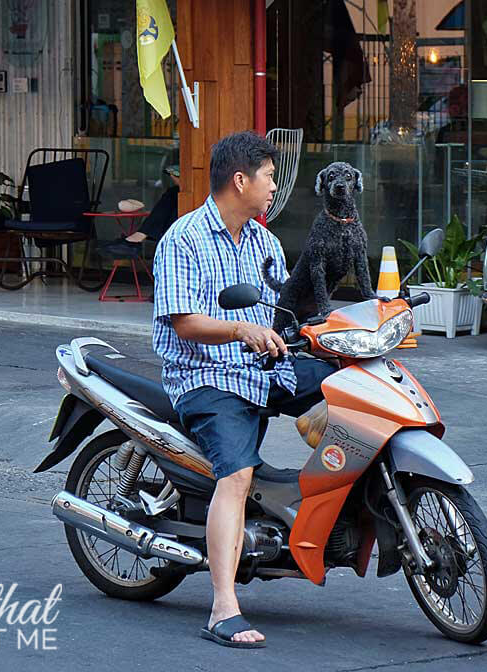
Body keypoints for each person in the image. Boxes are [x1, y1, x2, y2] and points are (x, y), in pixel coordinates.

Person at [152, 132, 334, 648]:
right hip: (205, 376)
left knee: (352, 388)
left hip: (264, 369)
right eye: (271, 177)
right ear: (241, 180)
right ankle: (222, 607)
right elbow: (184, 323)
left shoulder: (265, 242)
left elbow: (286, 310)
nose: (275, 187)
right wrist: (238, 329)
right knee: (236, 473)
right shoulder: (182, 239)